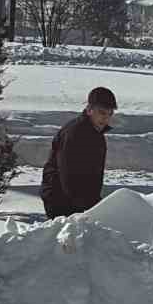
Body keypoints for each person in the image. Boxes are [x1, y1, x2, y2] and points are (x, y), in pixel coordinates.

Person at [41, 87, 116, 219]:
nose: (106, 118)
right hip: (61, 202)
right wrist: (85, 207)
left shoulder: (96, 133)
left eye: (110, 114)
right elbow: (67, 174)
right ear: (89, 110)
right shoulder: (75, 133)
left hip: (80, 202)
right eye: (102, 112)